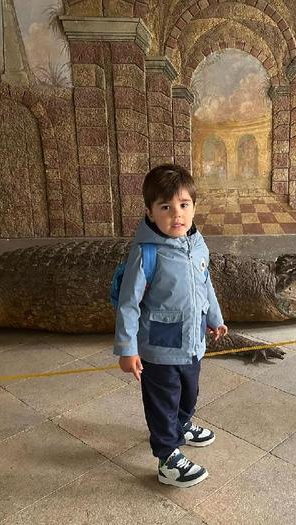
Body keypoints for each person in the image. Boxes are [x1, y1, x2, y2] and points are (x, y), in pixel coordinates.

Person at [114, 163, 228, 488]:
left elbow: (205, 285)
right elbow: (128, 303)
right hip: (159, 347)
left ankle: (182, 425)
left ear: (194, 207)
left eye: (183, 205)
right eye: (165, 207)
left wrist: (215, 318)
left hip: (193, 343)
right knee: (163, 401)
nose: (176, 214)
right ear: (150, 213)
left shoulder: (198, 244)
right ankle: (167, 457)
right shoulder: (146, 253)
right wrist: (127, 349)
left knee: (189, 393)